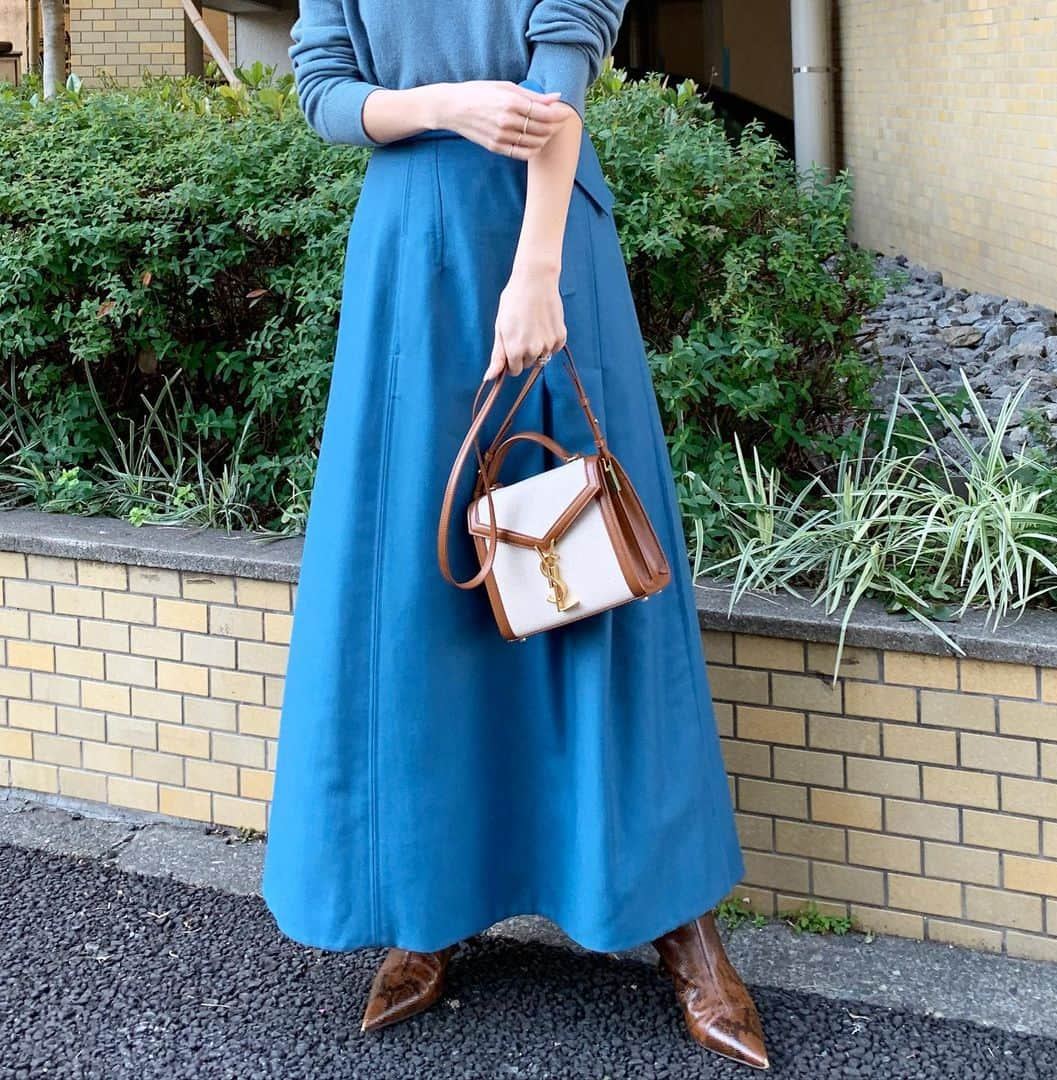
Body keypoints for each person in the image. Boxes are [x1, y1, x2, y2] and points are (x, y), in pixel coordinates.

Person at [260, 0, 769, 1070]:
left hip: (546, 240)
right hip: (408, 256)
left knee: (594, 570)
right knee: (418, 588)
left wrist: (536, 276)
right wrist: (446, 103)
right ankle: (425, 902)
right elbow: (322, 91)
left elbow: (562, 85)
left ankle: (678, 921)